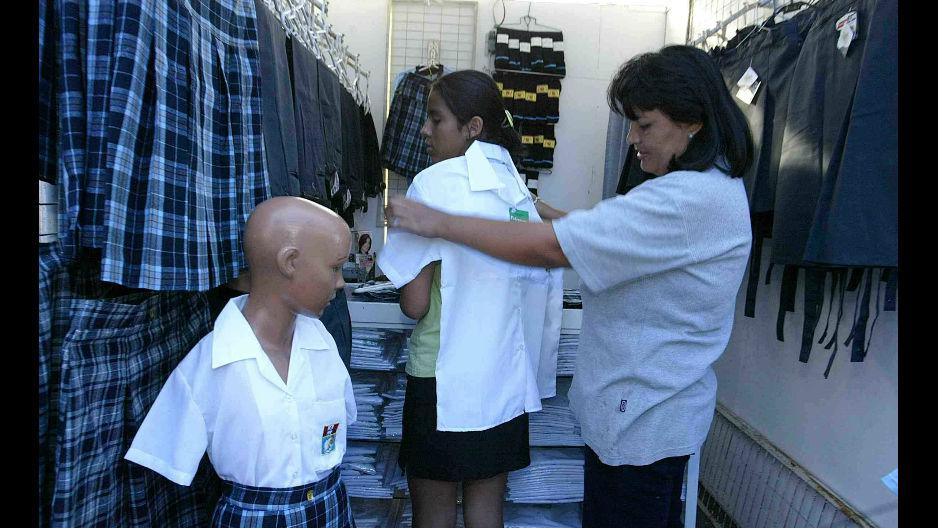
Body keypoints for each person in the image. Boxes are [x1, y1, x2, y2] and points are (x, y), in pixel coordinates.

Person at [385, 45, 754, 528]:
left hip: (640, 420)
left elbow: (552, 249)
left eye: (644, 124)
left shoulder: (687, 198)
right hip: (581, 398)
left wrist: (441, 223)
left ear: (692, 121)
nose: (632, 140)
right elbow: (606, 234)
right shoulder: (701, 190)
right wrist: (544, 214)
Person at [378, 70, 562, 528]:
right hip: (502, 376)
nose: (423, 130)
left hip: (441, 377)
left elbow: (415, 304)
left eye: (435, 119)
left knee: (434, 515)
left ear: (473, 127)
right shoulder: (516, 188)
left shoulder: (434, 185)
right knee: (486, 512)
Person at [125, 197, 357, 528]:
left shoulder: (323, 344)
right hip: (253, 518)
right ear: (290, 262)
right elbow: (165, 459)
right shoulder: (211, 364)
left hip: (331, 509)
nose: (340, 282)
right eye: (335, 267)